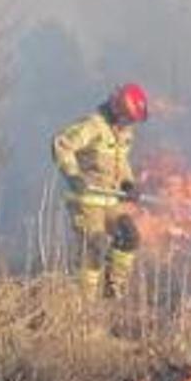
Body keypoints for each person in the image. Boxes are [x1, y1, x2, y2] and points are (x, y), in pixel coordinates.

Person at [53, 83, 148, 300]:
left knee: (130, 236)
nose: (129, 124)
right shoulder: (92, 126)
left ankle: (112, 287)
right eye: (127, 119)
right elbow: (61, 144)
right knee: (93, 248)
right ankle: (85, 303)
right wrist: (74, 176)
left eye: (132, 121)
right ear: (117, 109)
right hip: (86, 199)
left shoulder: (123, 132)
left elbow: (120, 161)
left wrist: (128, 184)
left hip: (110, 199)